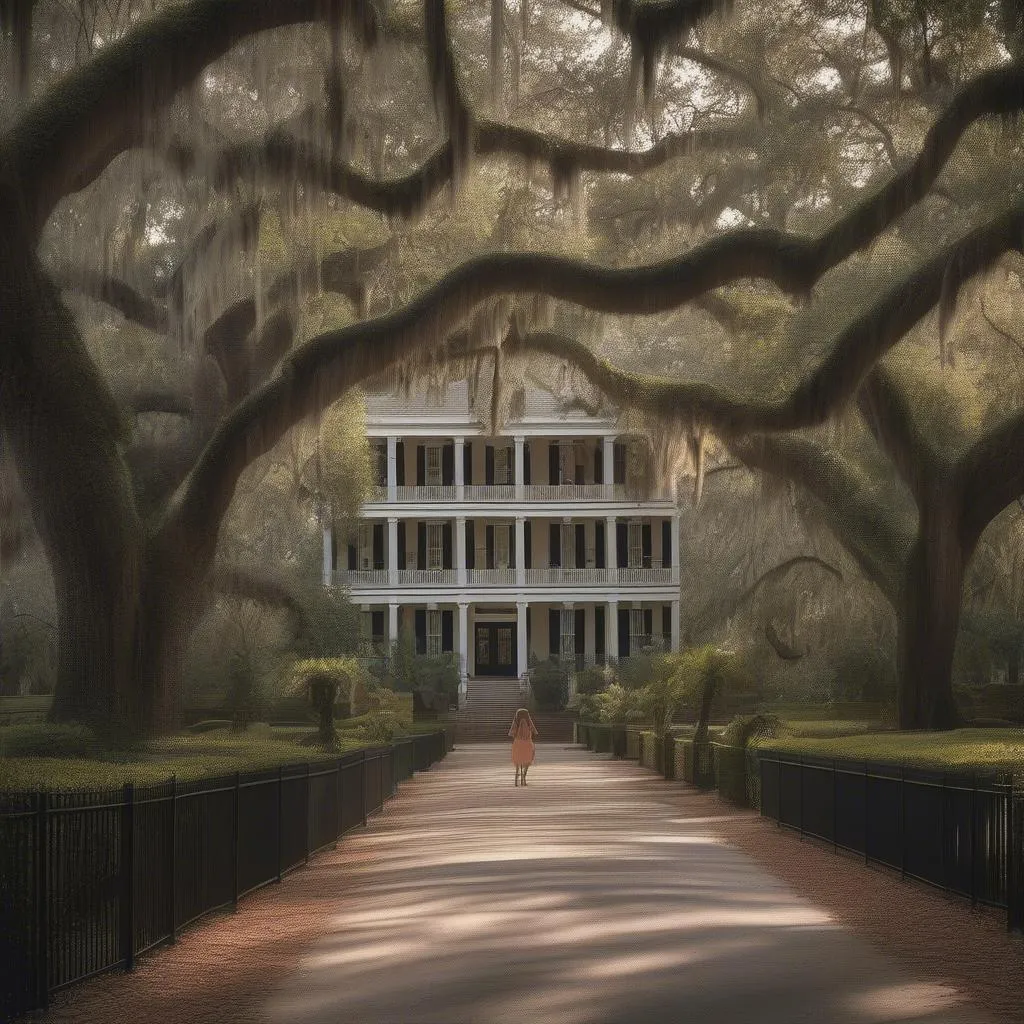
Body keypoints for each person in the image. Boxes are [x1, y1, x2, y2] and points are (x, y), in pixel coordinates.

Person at [509, 707, 538, 786]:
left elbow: (512, 733)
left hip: (518, 743)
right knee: (528, 759)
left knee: (518, 760)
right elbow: (534, 731)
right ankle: (524, 777)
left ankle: (516, 776)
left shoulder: (516, 721)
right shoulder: (528, 721)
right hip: (527, 743)